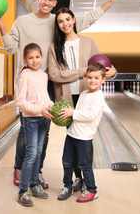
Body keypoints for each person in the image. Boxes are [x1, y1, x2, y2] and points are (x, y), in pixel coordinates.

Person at [0, 0, 123, 188]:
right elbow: (11, 48)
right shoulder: (23, 21)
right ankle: (19, 169)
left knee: (45, 133)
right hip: (32, 83)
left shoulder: (58, 21)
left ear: (55, 3)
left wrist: (110, 2)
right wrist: (1, 26)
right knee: (27, 131)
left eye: (50, 0)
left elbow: (86, 18)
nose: (46, 3)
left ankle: (37, 172)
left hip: (54, 84)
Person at [48, 7, 116, 193]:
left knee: (85, 138)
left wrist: (114, 71)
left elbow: (102, 65)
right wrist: (82, 71)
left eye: (67, 19)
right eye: (60, 21)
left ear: (74, 19)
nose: (65, 24)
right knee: (72, 136)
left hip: (87, 94)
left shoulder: (88, 42)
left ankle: (84, 179)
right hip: (67, 98)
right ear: (57, 24)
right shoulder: (54, 47)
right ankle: (78, 178)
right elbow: (54, 75)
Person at [57, 63, 107, 202]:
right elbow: (77, 114)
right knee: (66, 162)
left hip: (84, 138)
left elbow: (90, 115)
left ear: (103, 80)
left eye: (96, 78)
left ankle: (92, 190)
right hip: (71, 134)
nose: (92, 80)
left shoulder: (98, 97)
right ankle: (67, 187)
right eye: (90, 77)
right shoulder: (84, 93)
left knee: (84, 165)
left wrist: (72, 113)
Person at [15, 43, 54, 207]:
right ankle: (23, 192)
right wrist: (39, 109)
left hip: (43, 118)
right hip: (31, 119)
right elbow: (21, 102)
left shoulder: (43, 75)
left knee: (38, 152)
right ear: (25, 59)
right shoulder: (25, 76)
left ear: (42, 57)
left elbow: (43, 97)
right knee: (31, 153)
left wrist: (53, 105)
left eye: (37, 57)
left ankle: (34, 185)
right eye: (30, 58)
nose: (34, 60)